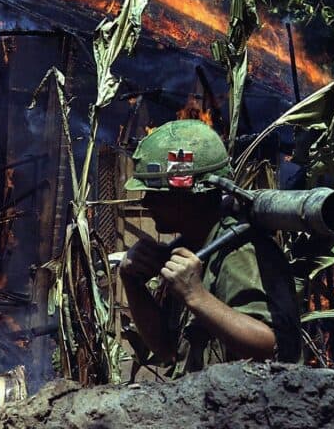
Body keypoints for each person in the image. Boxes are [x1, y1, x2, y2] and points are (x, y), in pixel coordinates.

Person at [119, 120, 301, 376]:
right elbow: (167, 348)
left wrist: (197, 296)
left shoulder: (240, 251)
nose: (147, 202)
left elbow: (272, 347)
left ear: (191, 195)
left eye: (158, 193)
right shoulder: (193, 248)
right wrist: (133, 283)